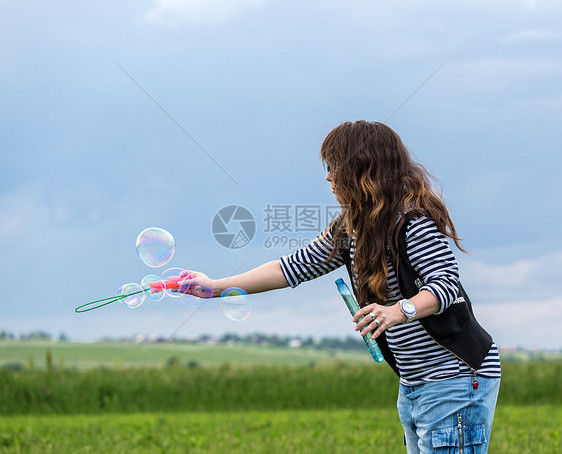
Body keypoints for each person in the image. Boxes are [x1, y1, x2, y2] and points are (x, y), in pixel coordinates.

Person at [178, 121, 501, 453]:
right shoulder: (350, 229)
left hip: (457, 377)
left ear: (362, 170)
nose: (329, 178)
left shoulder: (411, 222)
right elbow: (291, 267)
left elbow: (447, 286)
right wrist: (214, 287)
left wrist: (397, 311)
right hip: (414, 384)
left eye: (334, 167)